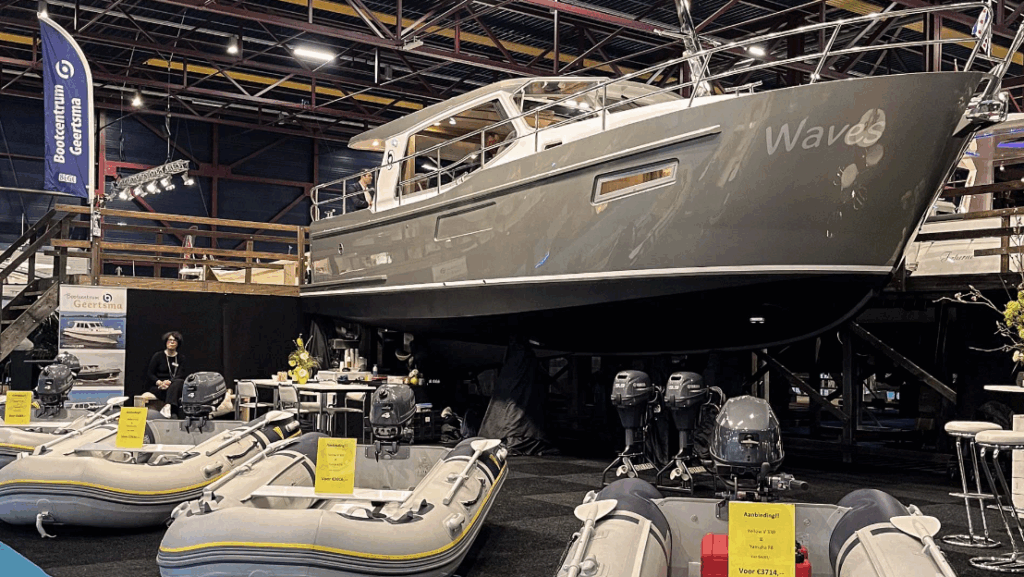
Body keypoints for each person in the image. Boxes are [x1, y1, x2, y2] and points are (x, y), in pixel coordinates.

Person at [146, 331, 186, 416]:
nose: (172, 342)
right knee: (171, 390)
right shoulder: (158, 356)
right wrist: (160, 383)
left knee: (180, 382)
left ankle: (168, 405)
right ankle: (171, 409)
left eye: (174, 340)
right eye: (169, 340)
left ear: (178, 343)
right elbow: (150, 373)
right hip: (159, 387)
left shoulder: (181, 358)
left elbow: (180, 374)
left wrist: (169, 383)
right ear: (166, 342)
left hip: (173, 385)